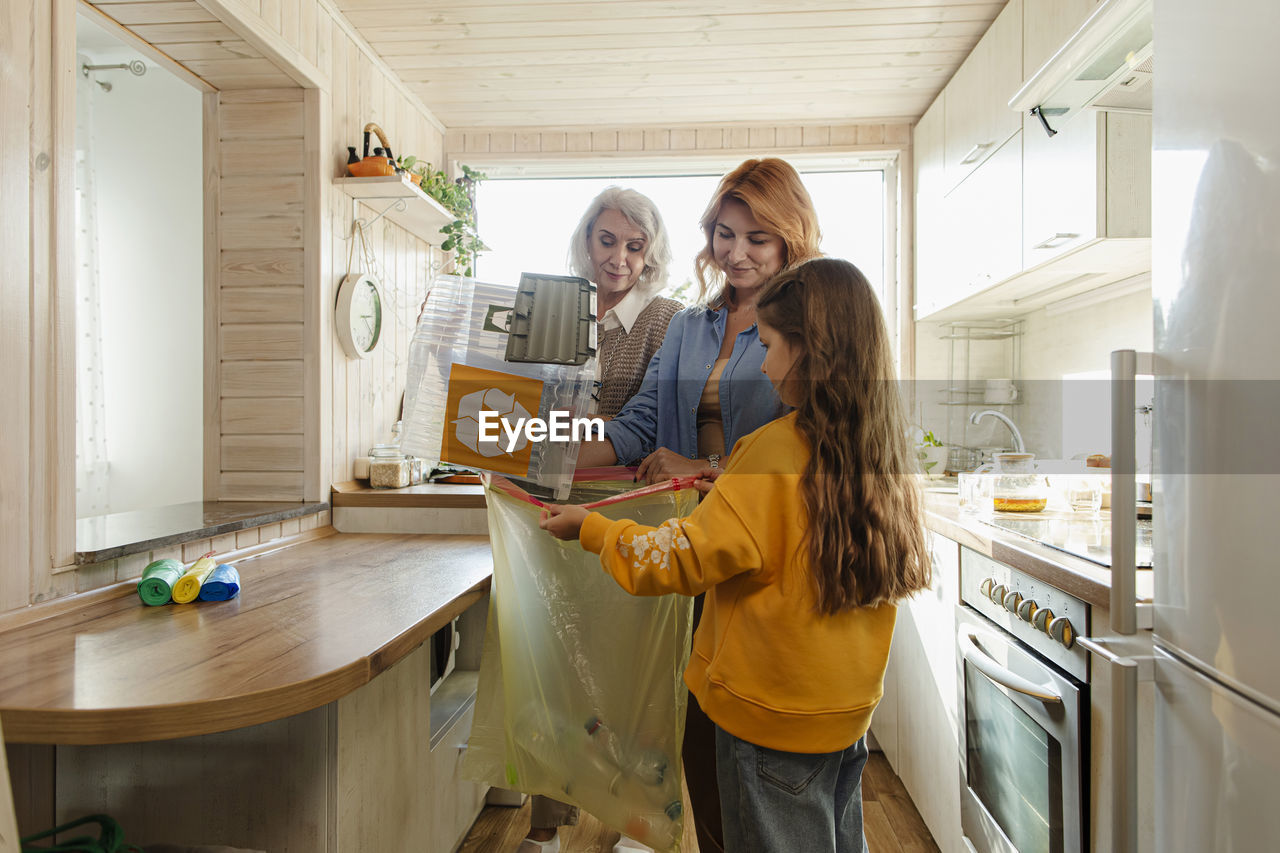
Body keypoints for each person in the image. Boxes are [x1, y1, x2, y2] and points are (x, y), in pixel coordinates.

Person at [541, 257, 933, 853]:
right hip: (845, 720)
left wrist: (593, 528)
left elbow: (680, 559)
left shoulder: (772, 451)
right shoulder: (880, 454)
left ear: (810, 352)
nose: (763, 362)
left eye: (771, 345)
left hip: (766, 721)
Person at [574, 157, 824, 852]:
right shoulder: (689, 327)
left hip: (760, 561)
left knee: (751, 756)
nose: (735, 252)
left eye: (756, 238)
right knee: (693, 729)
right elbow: (634, 430)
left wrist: (704, 467)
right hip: (688, 546)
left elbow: (805, 445)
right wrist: (536, 444)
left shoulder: (805, 328)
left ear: (789, 240)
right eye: (724, 233)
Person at [518, 187, 681, 853]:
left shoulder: (666, 319)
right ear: (587, 242)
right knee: (549, 666)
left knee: (620, 673)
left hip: (622, 511)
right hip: (546, 502)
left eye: (634, 246)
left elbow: (644, 428)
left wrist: (551, 434)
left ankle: (625, 822)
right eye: (607, 241)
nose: (619, 258)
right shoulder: (556, 307)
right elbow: (516, 392)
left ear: (651, 254)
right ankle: (542, 824)